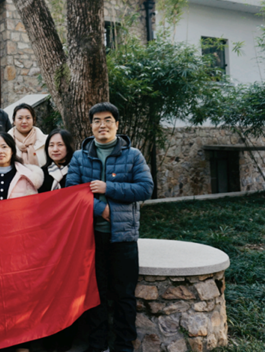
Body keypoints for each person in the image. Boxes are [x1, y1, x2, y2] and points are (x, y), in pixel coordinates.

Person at [65, 102, 154, 352]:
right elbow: (72, 191)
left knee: (124, 295)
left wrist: (109, 188)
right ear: (91, 125)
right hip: (90, 237)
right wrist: (100, 209)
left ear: (117, 124)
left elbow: (145, 189)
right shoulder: (80, 156)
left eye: (107, 120)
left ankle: (124, 346)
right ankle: (98, 345)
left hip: (123, 238)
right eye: (97, 120)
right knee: (96, 294)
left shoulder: (133, 155)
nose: (102, 125)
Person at [38, 129, 75, 193]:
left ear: (68, 147)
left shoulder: (76, 171)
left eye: (60, 145)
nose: (55, 149)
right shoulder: (41, 174)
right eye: (51, 145)